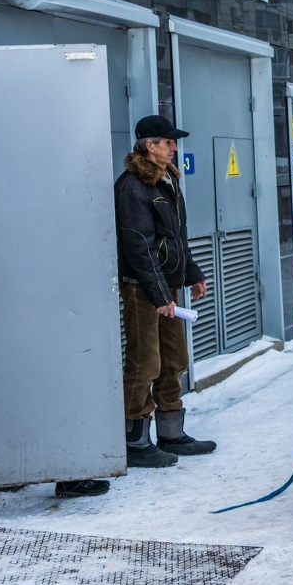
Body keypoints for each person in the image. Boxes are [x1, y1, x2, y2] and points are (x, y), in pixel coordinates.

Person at [115, 114, 215, 469]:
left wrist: (192, 272)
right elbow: (138, 246)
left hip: (166, 289)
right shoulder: (132, 186)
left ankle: (171, 433)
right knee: (145, 364)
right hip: (143, 290)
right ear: (149, 145)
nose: (174, 148)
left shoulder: (165, 181)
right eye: (168, 142)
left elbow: (176, 237)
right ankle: (134, 441)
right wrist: (160, 297)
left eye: (174, 142)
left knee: (174, 361)